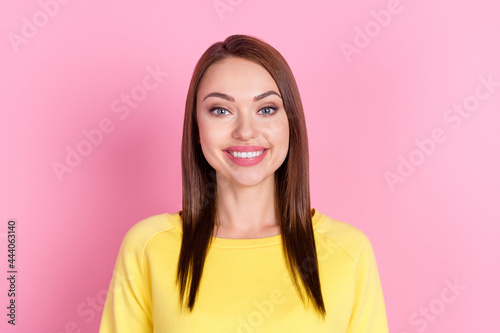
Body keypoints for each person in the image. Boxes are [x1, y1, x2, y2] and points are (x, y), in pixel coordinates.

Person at [99, 34, 389, 332]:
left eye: (266, 109)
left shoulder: (349, 251)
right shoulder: (147, 246)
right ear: (196, 126)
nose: (245, 131)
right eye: (221, 110)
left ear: (291, 122)